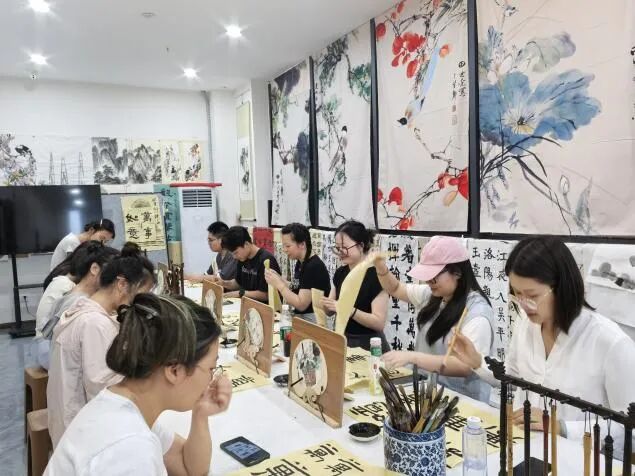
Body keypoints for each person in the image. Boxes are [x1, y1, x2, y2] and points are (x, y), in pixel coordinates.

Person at [451, 236, 635, 455]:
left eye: (532, 296)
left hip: (578, 461)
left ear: (561, 287)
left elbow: (629, 427)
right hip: (523, 450)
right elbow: (514, 377)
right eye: (517, 294)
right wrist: (477, 362)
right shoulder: (526, 323)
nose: (523, 304)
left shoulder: (611, 343)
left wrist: (560, 427)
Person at [44, 294, 232, 475]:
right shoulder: (130, 449)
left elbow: (189, 469)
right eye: (211, 368)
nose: (211, 379)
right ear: (175, 371)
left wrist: (200, 414)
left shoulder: (125, 405)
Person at [47, 242, 155, 447]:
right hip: (80, 433)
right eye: (140, 294)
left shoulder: (86, 308)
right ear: (122, 284)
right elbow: (104, 390)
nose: (139, 302)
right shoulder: (94, 323)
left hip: (71, 418)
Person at [372, 236, 495, 402]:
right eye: (426, 275)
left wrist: (413, 357)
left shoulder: (477, 313)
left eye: (434, 276)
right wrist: (380, 267)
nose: (428, 281)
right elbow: (395, 288)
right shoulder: (434, 295)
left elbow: (465, 366)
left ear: (457, 272)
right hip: (429, 393)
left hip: (461, 401)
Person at [35, 242, 120, 369]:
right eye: (113, 274)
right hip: (62, 364)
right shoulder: (77, 302)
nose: (115, 281)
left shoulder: (77, 293)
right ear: (94, 269)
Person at [321, 220, 389, 351]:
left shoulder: (376, 276)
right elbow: (330, 310)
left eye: (345, 247)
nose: (340, 252)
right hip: (343, 339)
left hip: (370, 344)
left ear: (361, 246)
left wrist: (349, 310)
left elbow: (379, 322)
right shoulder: (340, 273)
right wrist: (325, 304)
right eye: (337, 248)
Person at [264, 223, 331, 321]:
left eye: (288, 246)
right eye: (283, 246)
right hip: (302, 319)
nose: (284, 250)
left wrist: (279, 284)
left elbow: (301, 304)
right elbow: (297, 286)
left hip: (314, 322)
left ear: (302, 244)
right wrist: (279, 278)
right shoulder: (301, 262)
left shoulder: (313, 266)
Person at [213, 226, 281, 302]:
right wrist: (224, 283)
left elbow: (267, 295)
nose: (234, 257)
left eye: (236, 253)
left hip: (263, 306)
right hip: (246, 304)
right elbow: (238, 283)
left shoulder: (266, 259)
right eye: (232, 254)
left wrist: (241, 293)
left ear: (246, 244)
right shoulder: (242, 258)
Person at [50, 218, 115, 270]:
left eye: (105, 241)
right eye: (102, 238)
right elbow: (75, 269)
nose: (102, 244)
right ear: (91, 230)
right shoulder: (72, 241)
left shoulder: (85, 244)